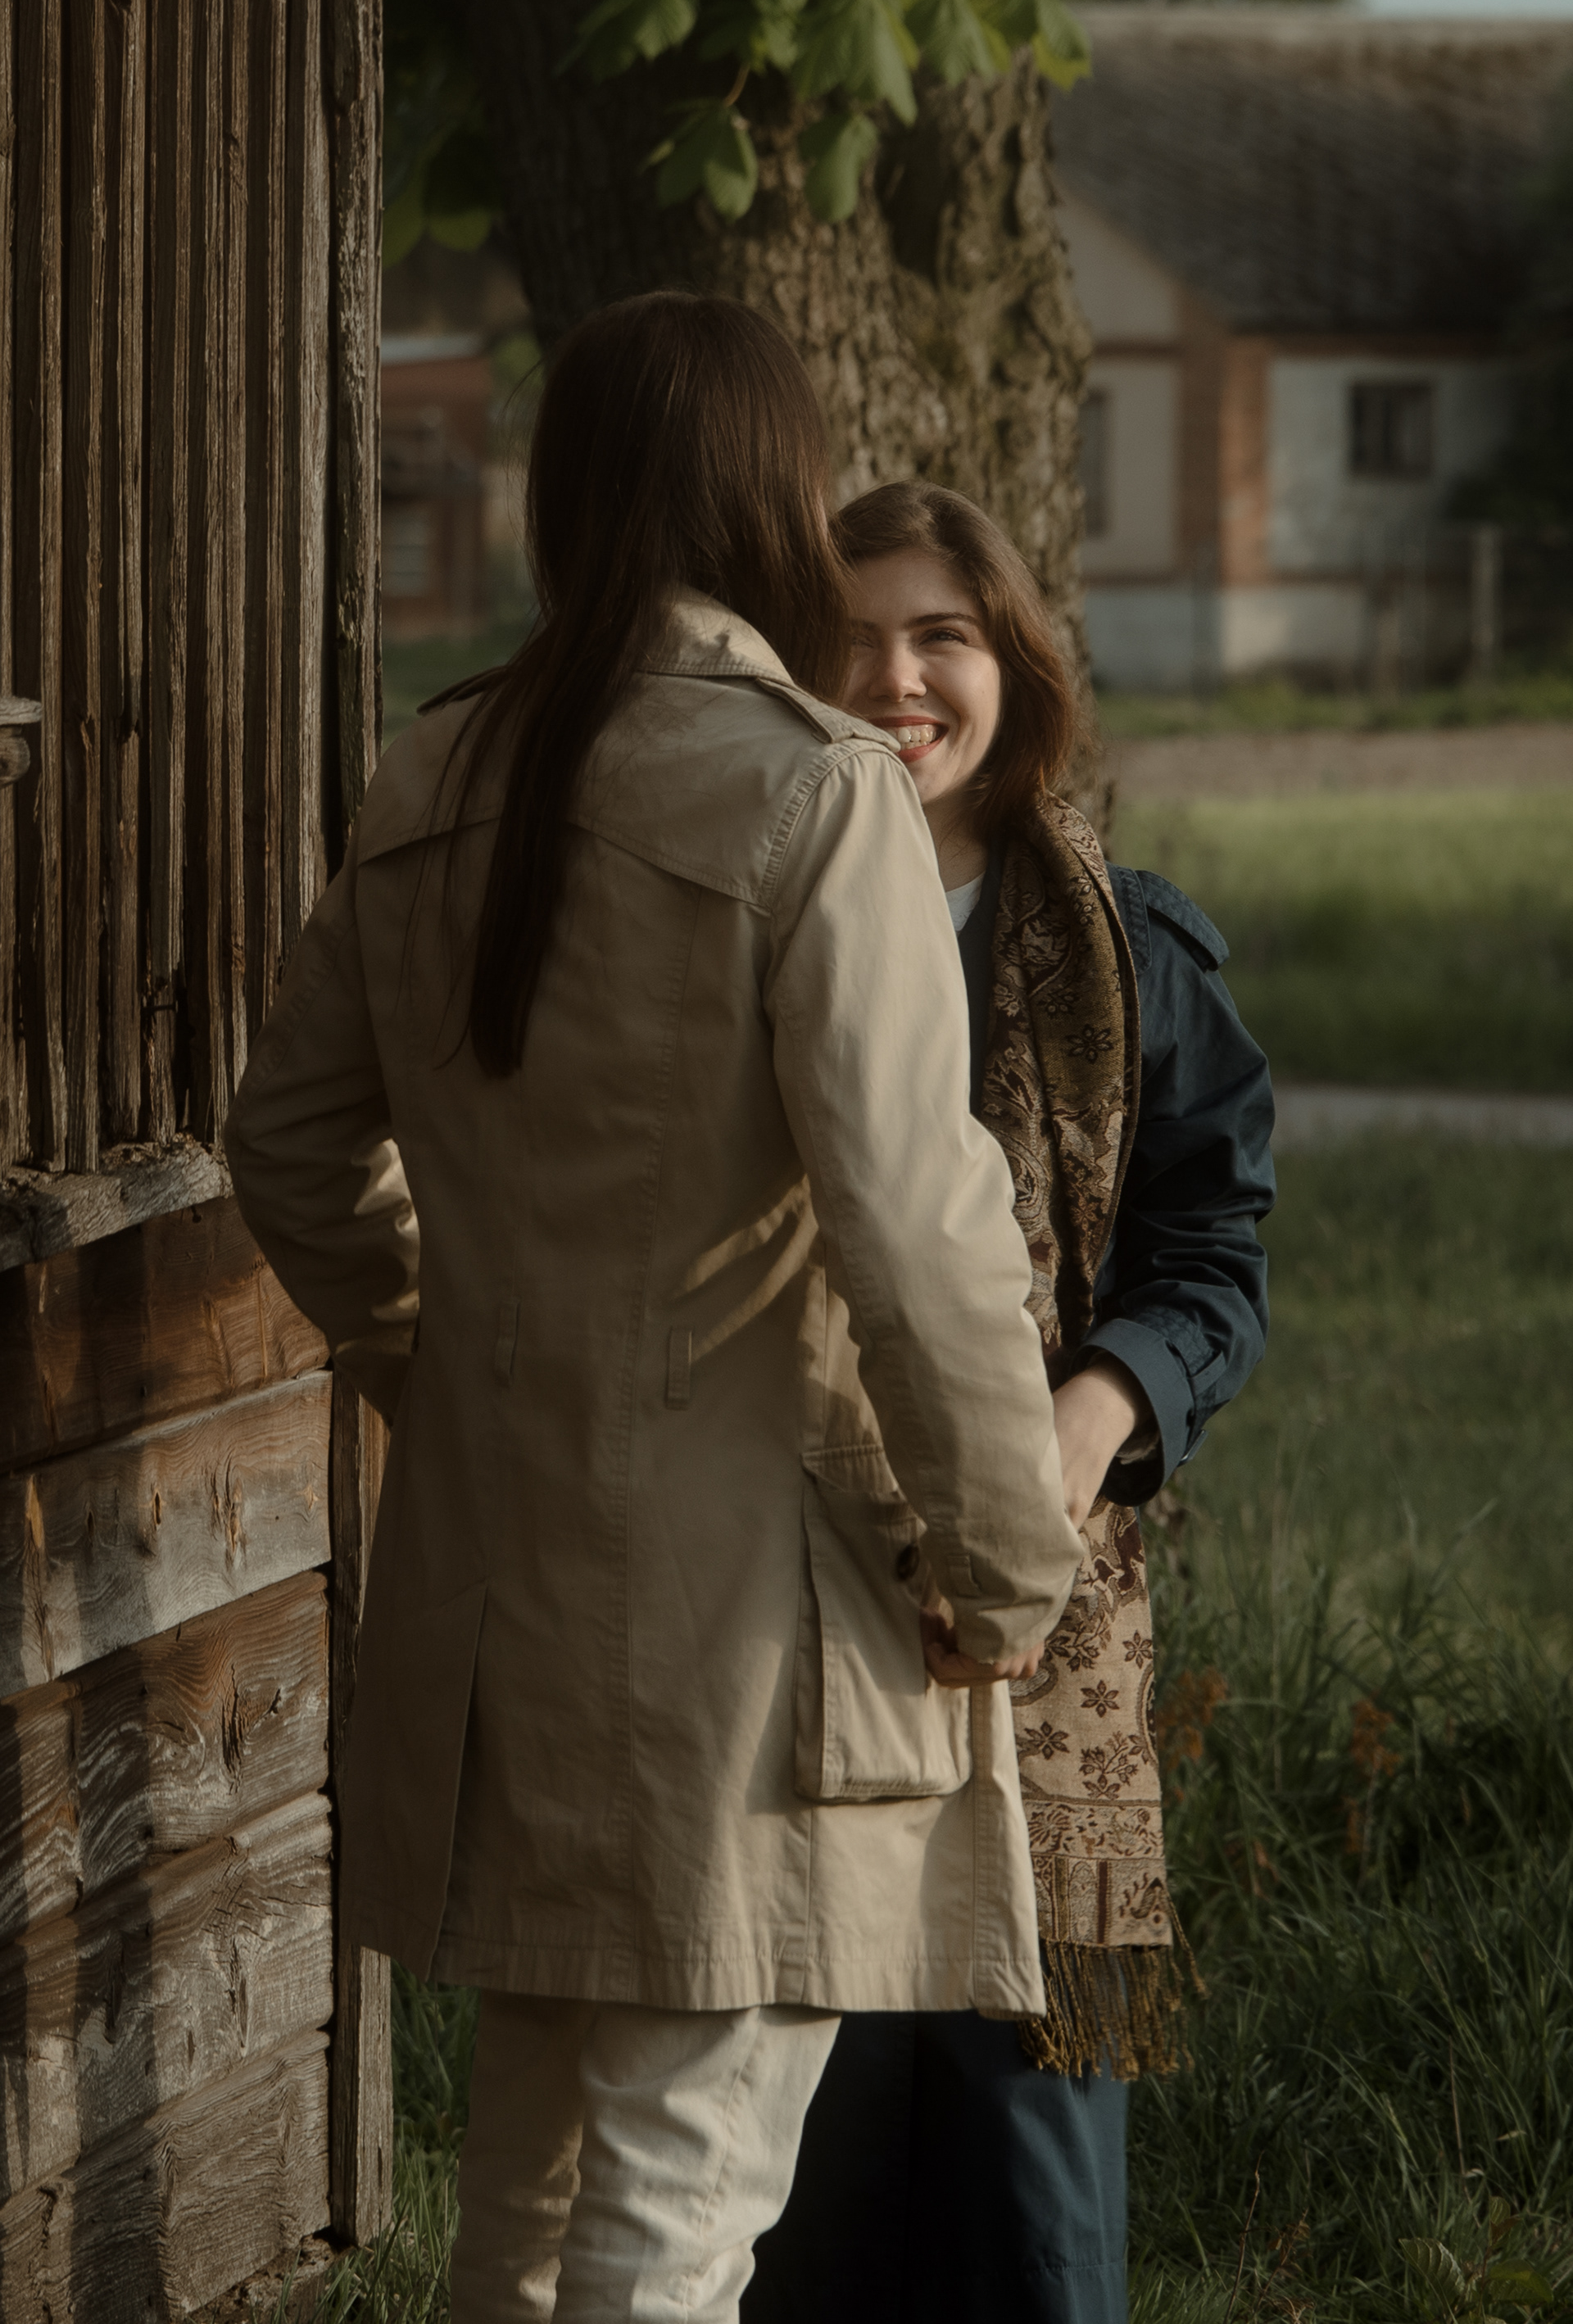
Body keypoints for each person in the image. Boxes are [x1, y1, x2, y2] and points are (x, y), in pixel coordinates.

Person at [224, 299, 1089, 2324]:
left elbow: (291, 1147)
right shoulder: (815, 792)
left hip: (500, 1590)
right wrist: (1007, 1566)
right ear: (777, 500)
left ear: (565, 502)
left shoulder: (434, 769)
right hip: (741, 1632)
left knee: (524, 2206)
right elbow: (921, 1229)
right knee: (676, 2211)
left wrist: (443, 1365)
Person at [741, 482, 1276, 2324]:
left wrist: (1095, 1412)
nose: (896, 679)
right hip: (792, 1621)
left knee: (1031, 2219)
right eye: (851, 640)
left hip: (1048, 1668)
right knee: (793, 2200)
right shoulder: (729, 925)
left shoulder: (1129, 953)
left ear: (1012, 668)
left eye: (941, 637)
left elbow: (1212, 1257)